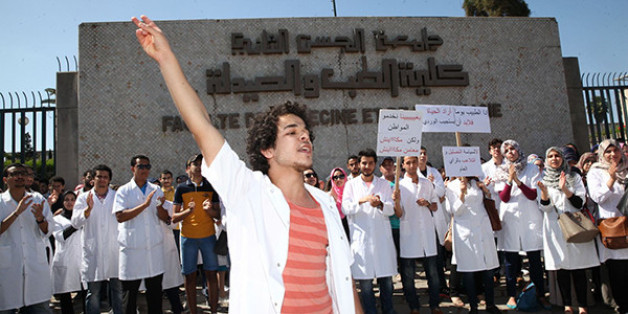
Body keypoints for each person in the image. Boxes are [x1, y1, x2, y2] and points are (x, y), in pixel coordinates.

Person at [132, 15, 359, 313]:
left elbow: (344, 279)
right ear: (267, 148)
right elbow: (201, 125)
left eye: (307, 133)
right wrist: (166, 59)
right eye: (292, 132)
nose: (304, 138)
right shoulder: (247, 191)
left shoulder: (326, 204)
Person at [537, 147, 600, 314]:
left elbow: (579, 203)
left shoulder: (574, 176)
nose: (554, 158)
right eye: (550, 156)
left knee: (579, 268)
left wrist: (565, 189)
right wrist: (544, 193)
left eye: (557, 155)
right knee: (562, 268)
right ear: (546, 160)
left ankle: (582, 306)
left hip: (574, 225)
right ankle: (567, 305)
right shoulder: (543, 179)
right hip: (555, 227)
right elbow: (544, 208)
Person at [494, 140, 549, 309]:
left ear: (519, 150)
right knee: (510, 260)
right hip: (510, 219)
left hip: (529, 218)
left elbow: (533, 194)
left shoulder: (532, 168)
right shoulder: (500, 170)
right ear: (504, 155)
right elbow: (504, 197)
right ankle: (511, 294)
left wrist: (517, 180)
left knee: (534, 260)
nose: (511, 152)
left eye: (513, 149)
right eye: (507, 150)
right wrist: (510, 180)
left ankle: (540, 293)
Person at [113, 155, 170, 314]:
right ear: (133, 169)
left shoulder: (156, 189)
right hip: (132, 250)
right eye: (141, 167)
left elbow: (165, 217)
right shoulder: (124, 191)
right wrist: (144, 205)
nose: (145, 170)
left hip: (153, 248)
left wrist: (159, 208)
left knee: (155, 295)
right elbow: (120, 216)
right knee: (130, 296)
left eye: (147, 167)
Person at [342, 149, 396, 314]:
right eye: (364, 163)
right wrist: (363, 200)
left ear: (375, 164)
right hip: (362, 241)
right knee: (365, 286)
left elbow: (390, 209)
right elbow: (345, 208)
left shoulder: (383, 184)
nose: (367, 166)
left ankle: (389, 311)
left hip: (381, 240)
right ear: (359, 164)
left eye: (370, 163)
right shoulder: (351, 185)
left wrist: (379, 204)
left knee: (386, 282)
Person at [392, 156, 442, 314]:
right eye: (408, 162)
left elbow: (435, 206)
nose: (412, 165)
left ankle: (435, 305)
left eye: (414, 162)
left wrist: (427, 203)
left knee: (433, 274)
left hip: (427, 233)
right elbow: (399, 214)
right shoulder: (399, 186)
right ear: (403, 165)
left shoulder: (427, 183)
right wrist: (396, 201)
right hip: (409, 234)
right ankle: (414, 306)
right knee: (408, 275)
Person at [0, 163, 53, 313]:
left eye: (23, 173)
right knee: (6, 306)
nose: (20, 176)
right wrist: (17, 212)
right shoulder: (1, 202)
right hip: (8, 268)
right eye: (15, 174)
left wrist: (40, 218)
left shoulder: (37, 199)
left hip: (34, 264)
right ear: (5, 179)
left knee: (39, 307)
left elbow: (48, 230)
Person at [172, 154, 220, 314]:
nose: (199, 167)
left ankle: (214, 310)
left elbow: (218, 215)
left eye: (201, 164)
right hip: (188, 238)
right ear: (188, 169)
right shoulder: (181, 188)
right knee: (189, 276)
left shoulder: (211, 186)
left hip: (208, 237)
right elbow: (174, 217)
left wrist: (210, 210)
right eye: (195, 164)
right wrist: (188, 210)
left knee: (211, 274)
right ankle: (193, 311)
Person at [71, 165, 123, 314]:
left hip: (114, 250)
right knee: (93, 293)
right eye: (99, 176)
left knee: (118, 290)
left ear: (109, 180)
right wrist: (86, 211)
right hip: (93, 250)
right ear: (92, 179)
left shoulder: (116, 196)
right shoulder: (83, 198)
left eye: (105, 177)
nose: (102, 180)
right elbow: (75, 223)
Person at [445, 177, 501, 314]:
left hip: (483, 229)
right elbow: (454, 210)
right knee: (468, 271)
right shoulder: (452, 186)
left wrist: (486, 190)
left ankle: (490, 304)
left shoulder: (478, 182)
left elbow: (492, 201)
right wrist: (462, 193)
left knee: (488, 270)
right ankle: (473, 307)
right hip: (465, 232)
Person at [587, 139, 628, 314]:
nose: (613, 155)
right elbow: (598, 197)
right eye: (608, 152)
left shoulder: (626, 169)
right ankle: (623, 305)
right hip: (613, 226)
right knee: (619, 270)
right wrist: (611, 178)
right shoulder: (596, 172)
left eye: (615, 151)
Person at [51, 191, 85, 314]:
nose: (70, 202)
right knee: (65, 293)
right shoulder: (56, 219)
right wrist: (75, 226)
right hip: (65, 258)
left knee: (85, 290)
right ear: (62, 202)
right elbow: (60, 236)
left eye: (72, 199)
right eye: (66, 199)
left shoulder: (82, 217)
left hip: (81, 258)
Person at [329, 167, 350, 239]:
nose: (338, 179)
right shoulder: (329, 196)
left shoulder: (351, 194)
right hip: (336, 232)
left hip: (351, 230)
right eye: (335, 177)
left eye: (341, 176)